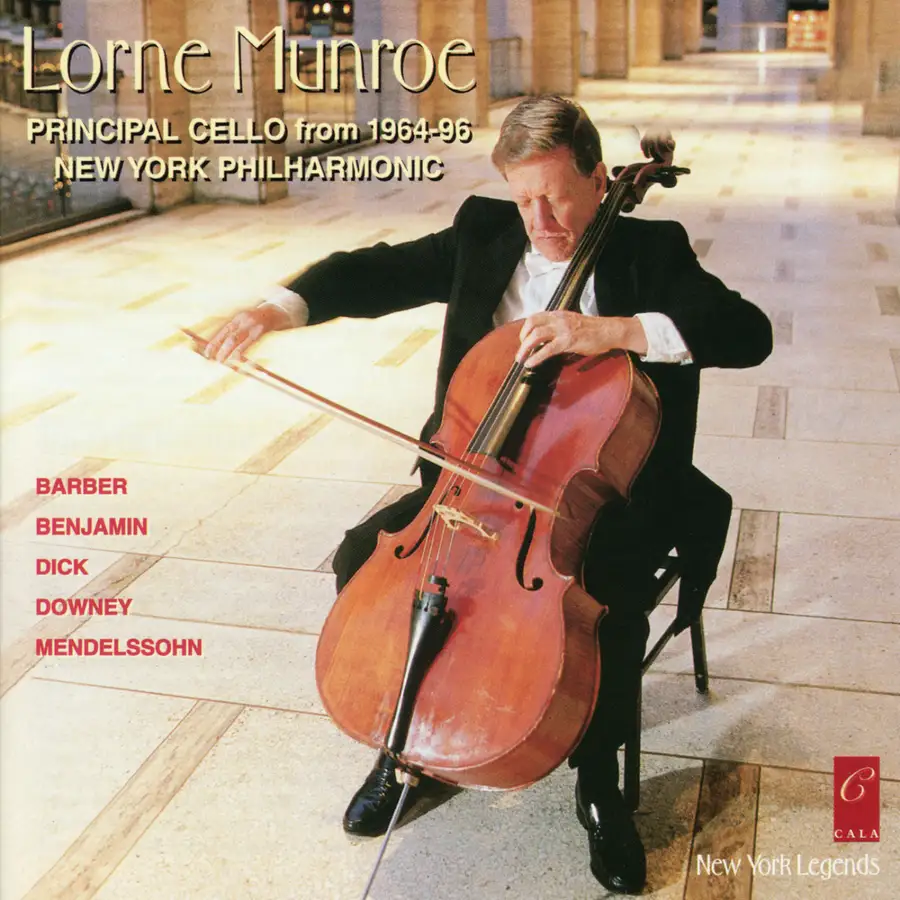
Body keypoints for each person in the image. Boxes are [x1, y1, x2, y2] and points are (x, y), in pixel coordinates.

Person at [205, 95, 773, 895]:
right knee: (364, 557)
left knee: (604, 608)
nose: (541, 220)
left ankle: (599, 784)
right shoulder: (484, 230)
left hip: (603, 496)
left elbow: (749, 332)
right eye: (524, 199)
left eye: (558, 198)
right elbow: (376, 270)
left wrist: (615, 331)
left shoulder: (654, 250)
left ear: (598, 179)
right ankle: (407, 744)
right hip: (471, 485)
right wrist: (278, 306)